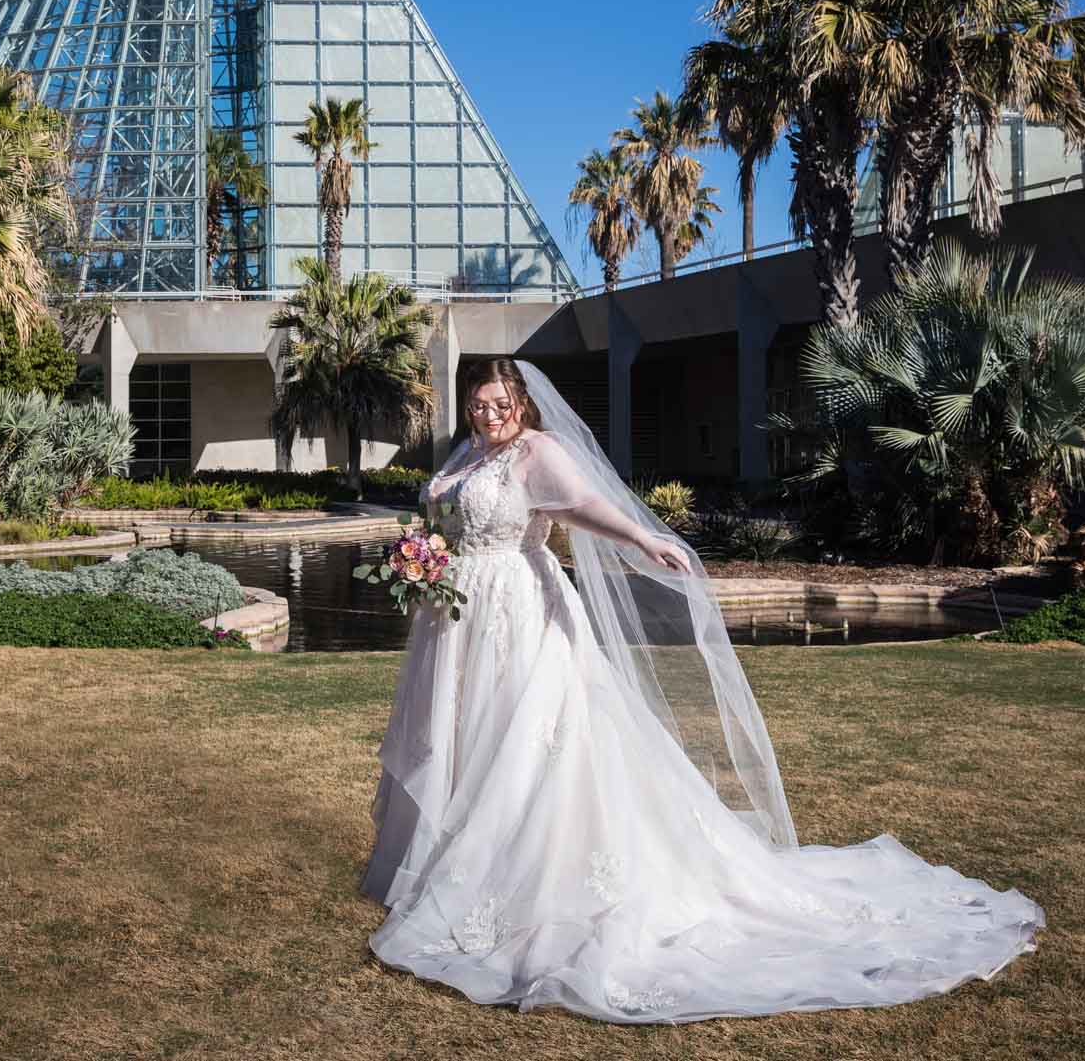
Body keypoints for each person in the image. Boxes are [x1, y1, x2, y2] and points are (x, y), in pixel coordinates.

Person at [359, 357, 1042, 1023]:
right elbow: (445, 515)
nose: (490, 414)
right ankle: (446, 858)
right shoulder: (465, 451)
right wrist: (423, 555)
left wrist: (642, 537)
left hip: (519, 612)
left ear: (522, 404)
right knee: (463, 730)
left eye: (500, 404)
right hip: (458, 616)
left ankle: (518, 872)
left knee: (525, 740)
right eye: (479, 403)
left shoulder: (536, 451)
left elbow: (585, 507)